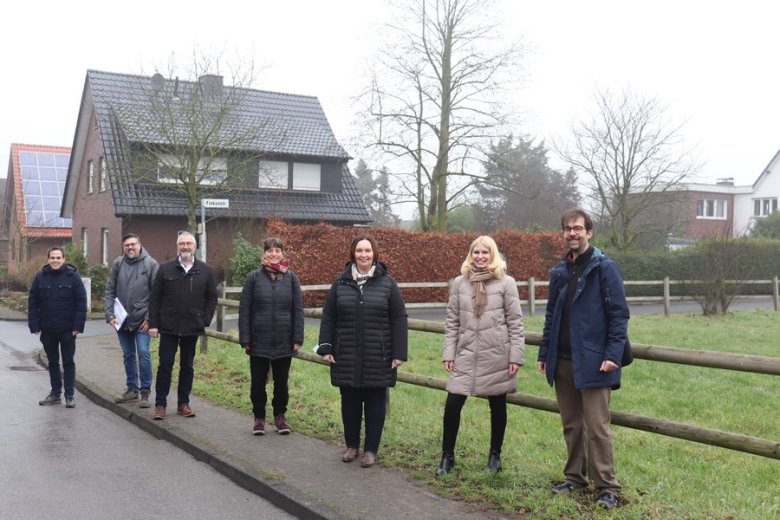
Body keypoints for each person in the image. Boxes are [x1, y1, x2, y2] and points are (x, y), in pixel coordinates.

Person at [537, 208, 629, 509]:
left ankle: (608, 487)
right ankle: (575, 477)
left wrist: (613, 354)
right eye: (567, 228)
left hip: (595, 361)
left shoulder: (605, 268)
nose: (572, 233)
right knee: (572, 424)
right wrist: (544, 353)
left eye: (578, 228)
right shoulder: (560, 272)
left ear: (589, 232)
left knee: (598, 427)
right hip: (562, 360)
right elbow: (551, 317)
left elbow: (618, 315)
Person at [436, 236, 525, 476]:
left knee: (498, 405)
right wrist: (449, 352)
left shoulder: (506, 283)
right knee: (453, 404)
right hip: (465, 352)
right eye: (476, 252)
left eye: (485, 252)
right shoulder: (460, 283)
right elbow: (452, 320)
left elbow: (515, 322)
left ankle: (495, 456)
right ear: (470, 255)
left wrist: (515, 356)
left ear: (493, 255)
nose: (480, 256)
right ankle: (447, 457)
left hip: (496, 354)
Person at [317, 234, 408, 468]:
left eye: (368, 251)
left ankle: (371, 451)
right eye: (359, 251)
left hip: (379, 354)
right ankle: (352, 447)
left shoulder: (388, 283)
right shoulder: (340, 283)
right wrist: (326, 346)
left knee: (376, 403)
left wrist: (399, 352)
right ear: (353, 254)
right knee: (349, 403)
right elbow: (329, 316)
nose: (364, 255)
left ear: (374, 254)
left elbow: (399, 318)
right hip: (345, 352)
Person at [148, 232, 217, 420]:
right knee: (165, 365)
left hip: (192, 326)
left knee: (187, 366)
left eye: (189, 243)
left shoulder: (206, 270)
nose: (185, 247)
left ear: (195, 247)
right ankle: (160, 404)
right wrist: (153, 324)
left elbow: (212, 298)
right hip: (168, 325)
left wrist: (205, 320)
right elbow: (155, 299)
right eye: (182, 244)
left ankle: (183, 403)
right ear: (177, 246)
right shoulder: (165, 269)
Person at [238, 237, 304, 436]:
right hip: (259, 340)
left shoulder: (291, 279)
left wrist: (297, 338)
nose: (274, 254)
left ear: (283, 254)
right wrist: (246, 338)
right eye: (270, 250)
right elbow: (245, 310)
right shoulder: (254, 278)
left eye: (278, 250)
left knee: (281, 384)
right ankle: (259, 418)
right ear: (264, 254)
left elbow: (298, 311)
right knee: (258, 383)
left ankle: (280, 417)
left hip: (284, 341)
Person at [28, 246, 87, 408]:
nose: (55, 260)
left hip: (68, 329)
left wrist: (78, 326)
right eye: (52, 258)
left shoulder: (73, 277)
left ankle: (69, 395)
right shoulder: (40, 277)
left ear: (64, 259)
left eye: (58, 258)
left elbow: (81, 303)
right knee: (52, 362)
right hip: (47, 329)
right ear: (48, 259)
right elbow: (32, 302)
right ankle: (55, 394)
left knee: (68, 362)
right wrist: (34, 325)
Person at [104, 233, 159, 408]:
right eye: (126, 245)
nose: (130, 248)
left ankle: (145, 392)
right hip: (122, 320)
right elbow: (110, 290)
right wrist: (109, 315)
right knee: (128, 355)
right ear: (123, 247)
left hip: (142, 320)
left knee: (143, 353)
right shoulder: (118, 264)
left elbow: (157, 295)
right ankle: (131, 389)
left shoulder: (150, 264)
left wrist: (151, 319)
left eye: (133, 244)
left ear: (140, 245)